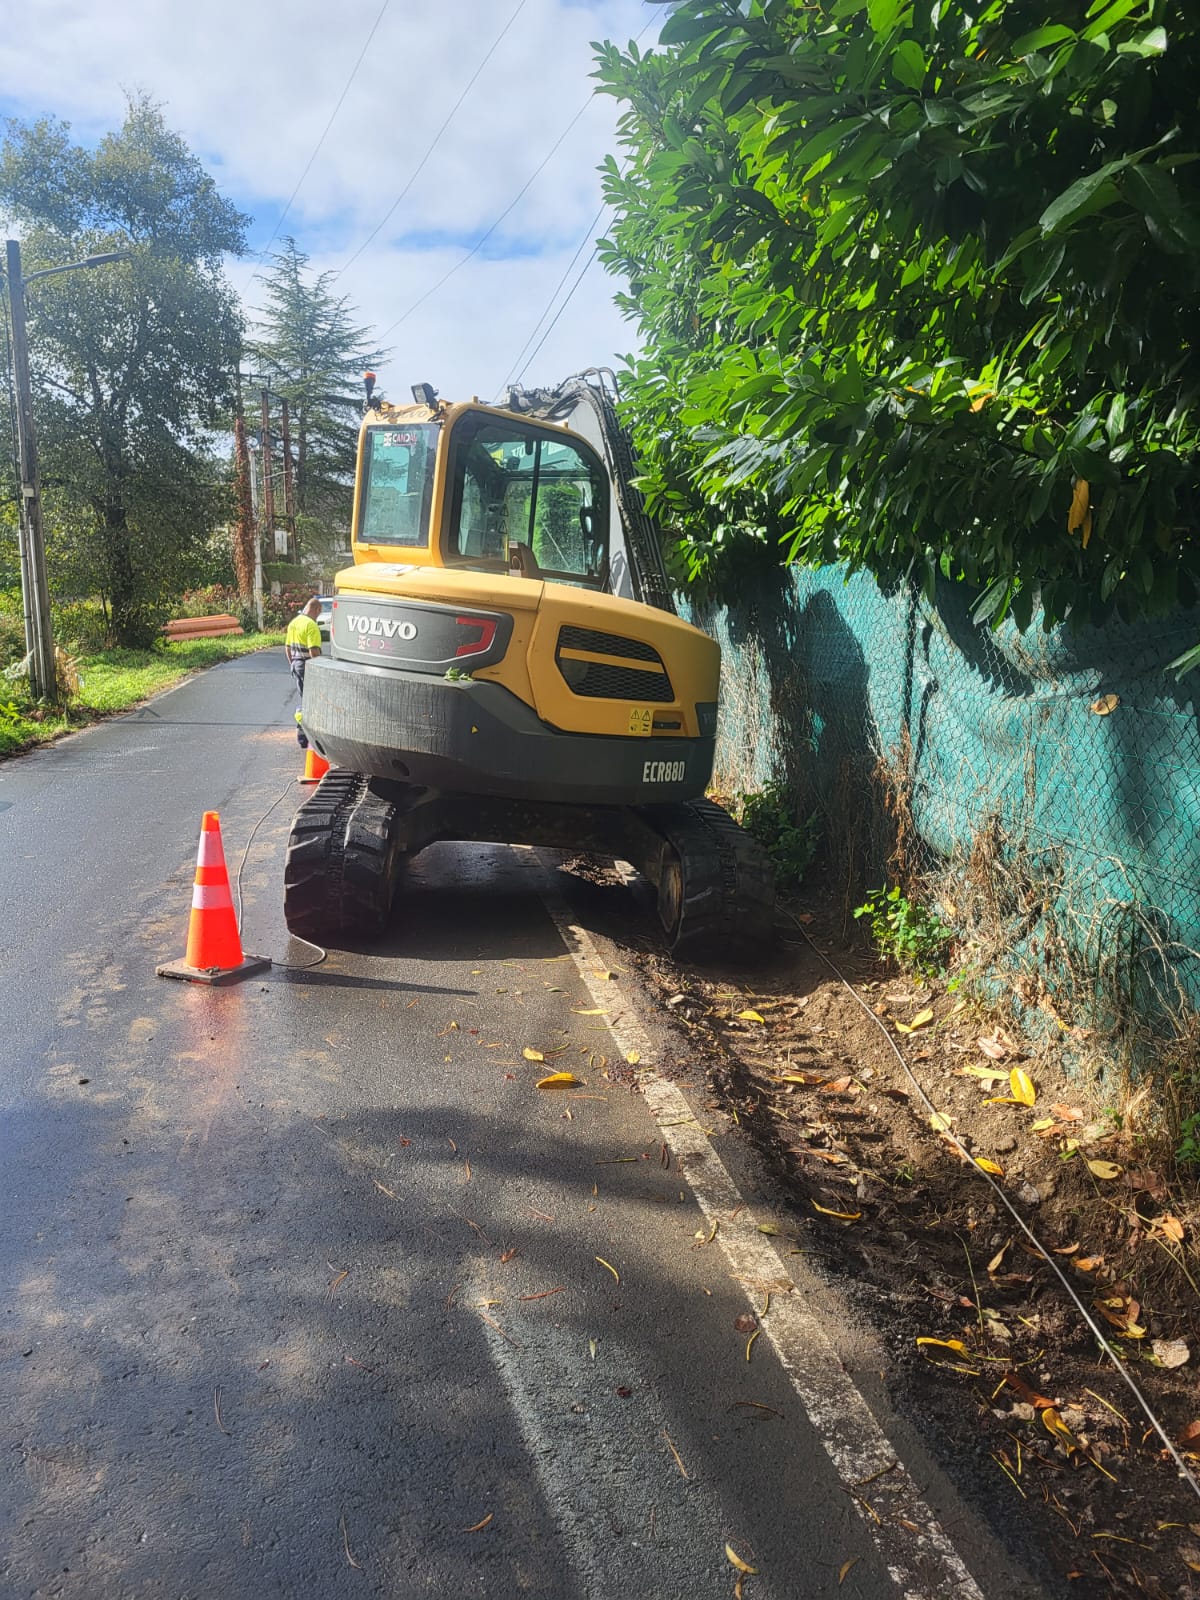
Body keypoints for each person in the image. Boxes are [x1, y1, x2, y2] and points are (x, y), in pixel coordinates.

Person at [284, 597, 323, 748]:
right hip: (307, 666)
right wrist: (319, 670)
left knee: (304, 698)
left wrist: (293, 664)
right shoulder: (311, 625)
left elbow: (287, 647)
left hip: (296, 664)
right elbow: (314, 650)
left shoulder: (294, 622)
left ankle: (302, 735)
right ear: (317, 610)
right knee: (311, 701)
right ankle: (306, 733)